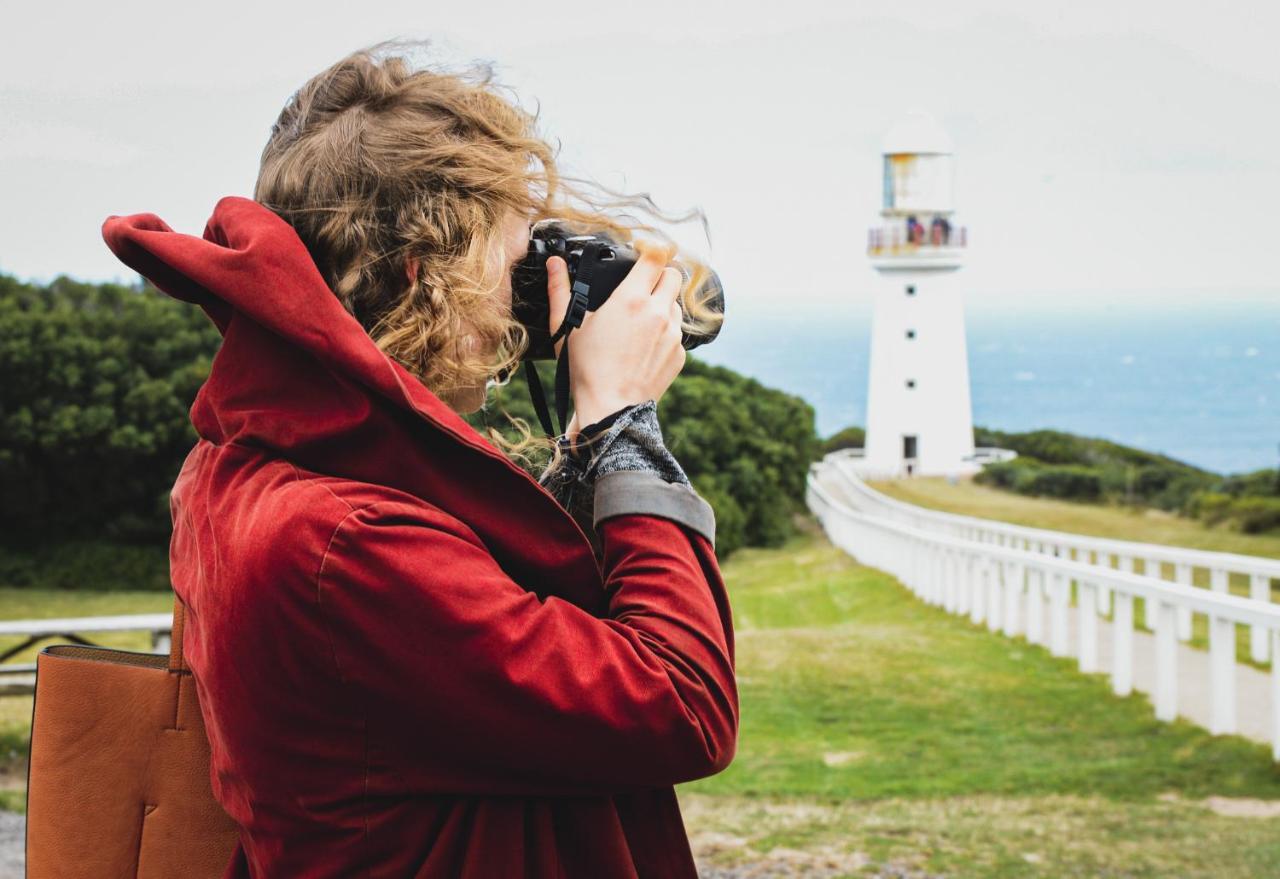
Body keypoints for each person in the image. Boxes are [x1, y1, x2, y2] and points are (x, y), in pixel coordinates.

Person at [101, 41, 737, 878]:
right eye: (512, 264)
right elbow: (680, 703)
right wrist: (622, 422)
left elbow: (491, 632)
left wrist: (583, 446)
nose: (524, 301)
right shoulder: (345, 540)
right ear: (425, 275)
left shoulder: (247, 462)